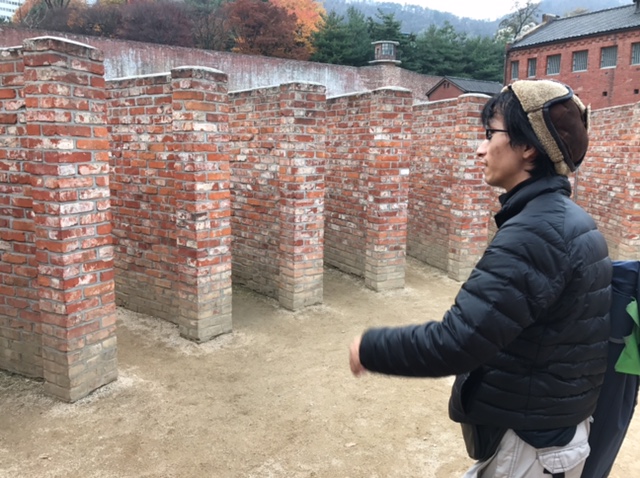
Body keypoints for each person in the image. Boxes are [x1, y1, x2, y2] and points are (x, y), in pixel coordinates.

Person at [348, 79, 612, 478]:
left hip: (531, 448)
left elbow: (458, 341)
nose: (480, 148)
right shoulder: (565, 220)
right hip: (549, 435)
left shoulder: (536, 233)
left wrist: (370, 348)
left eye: (491, 134)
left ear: (528, 147)